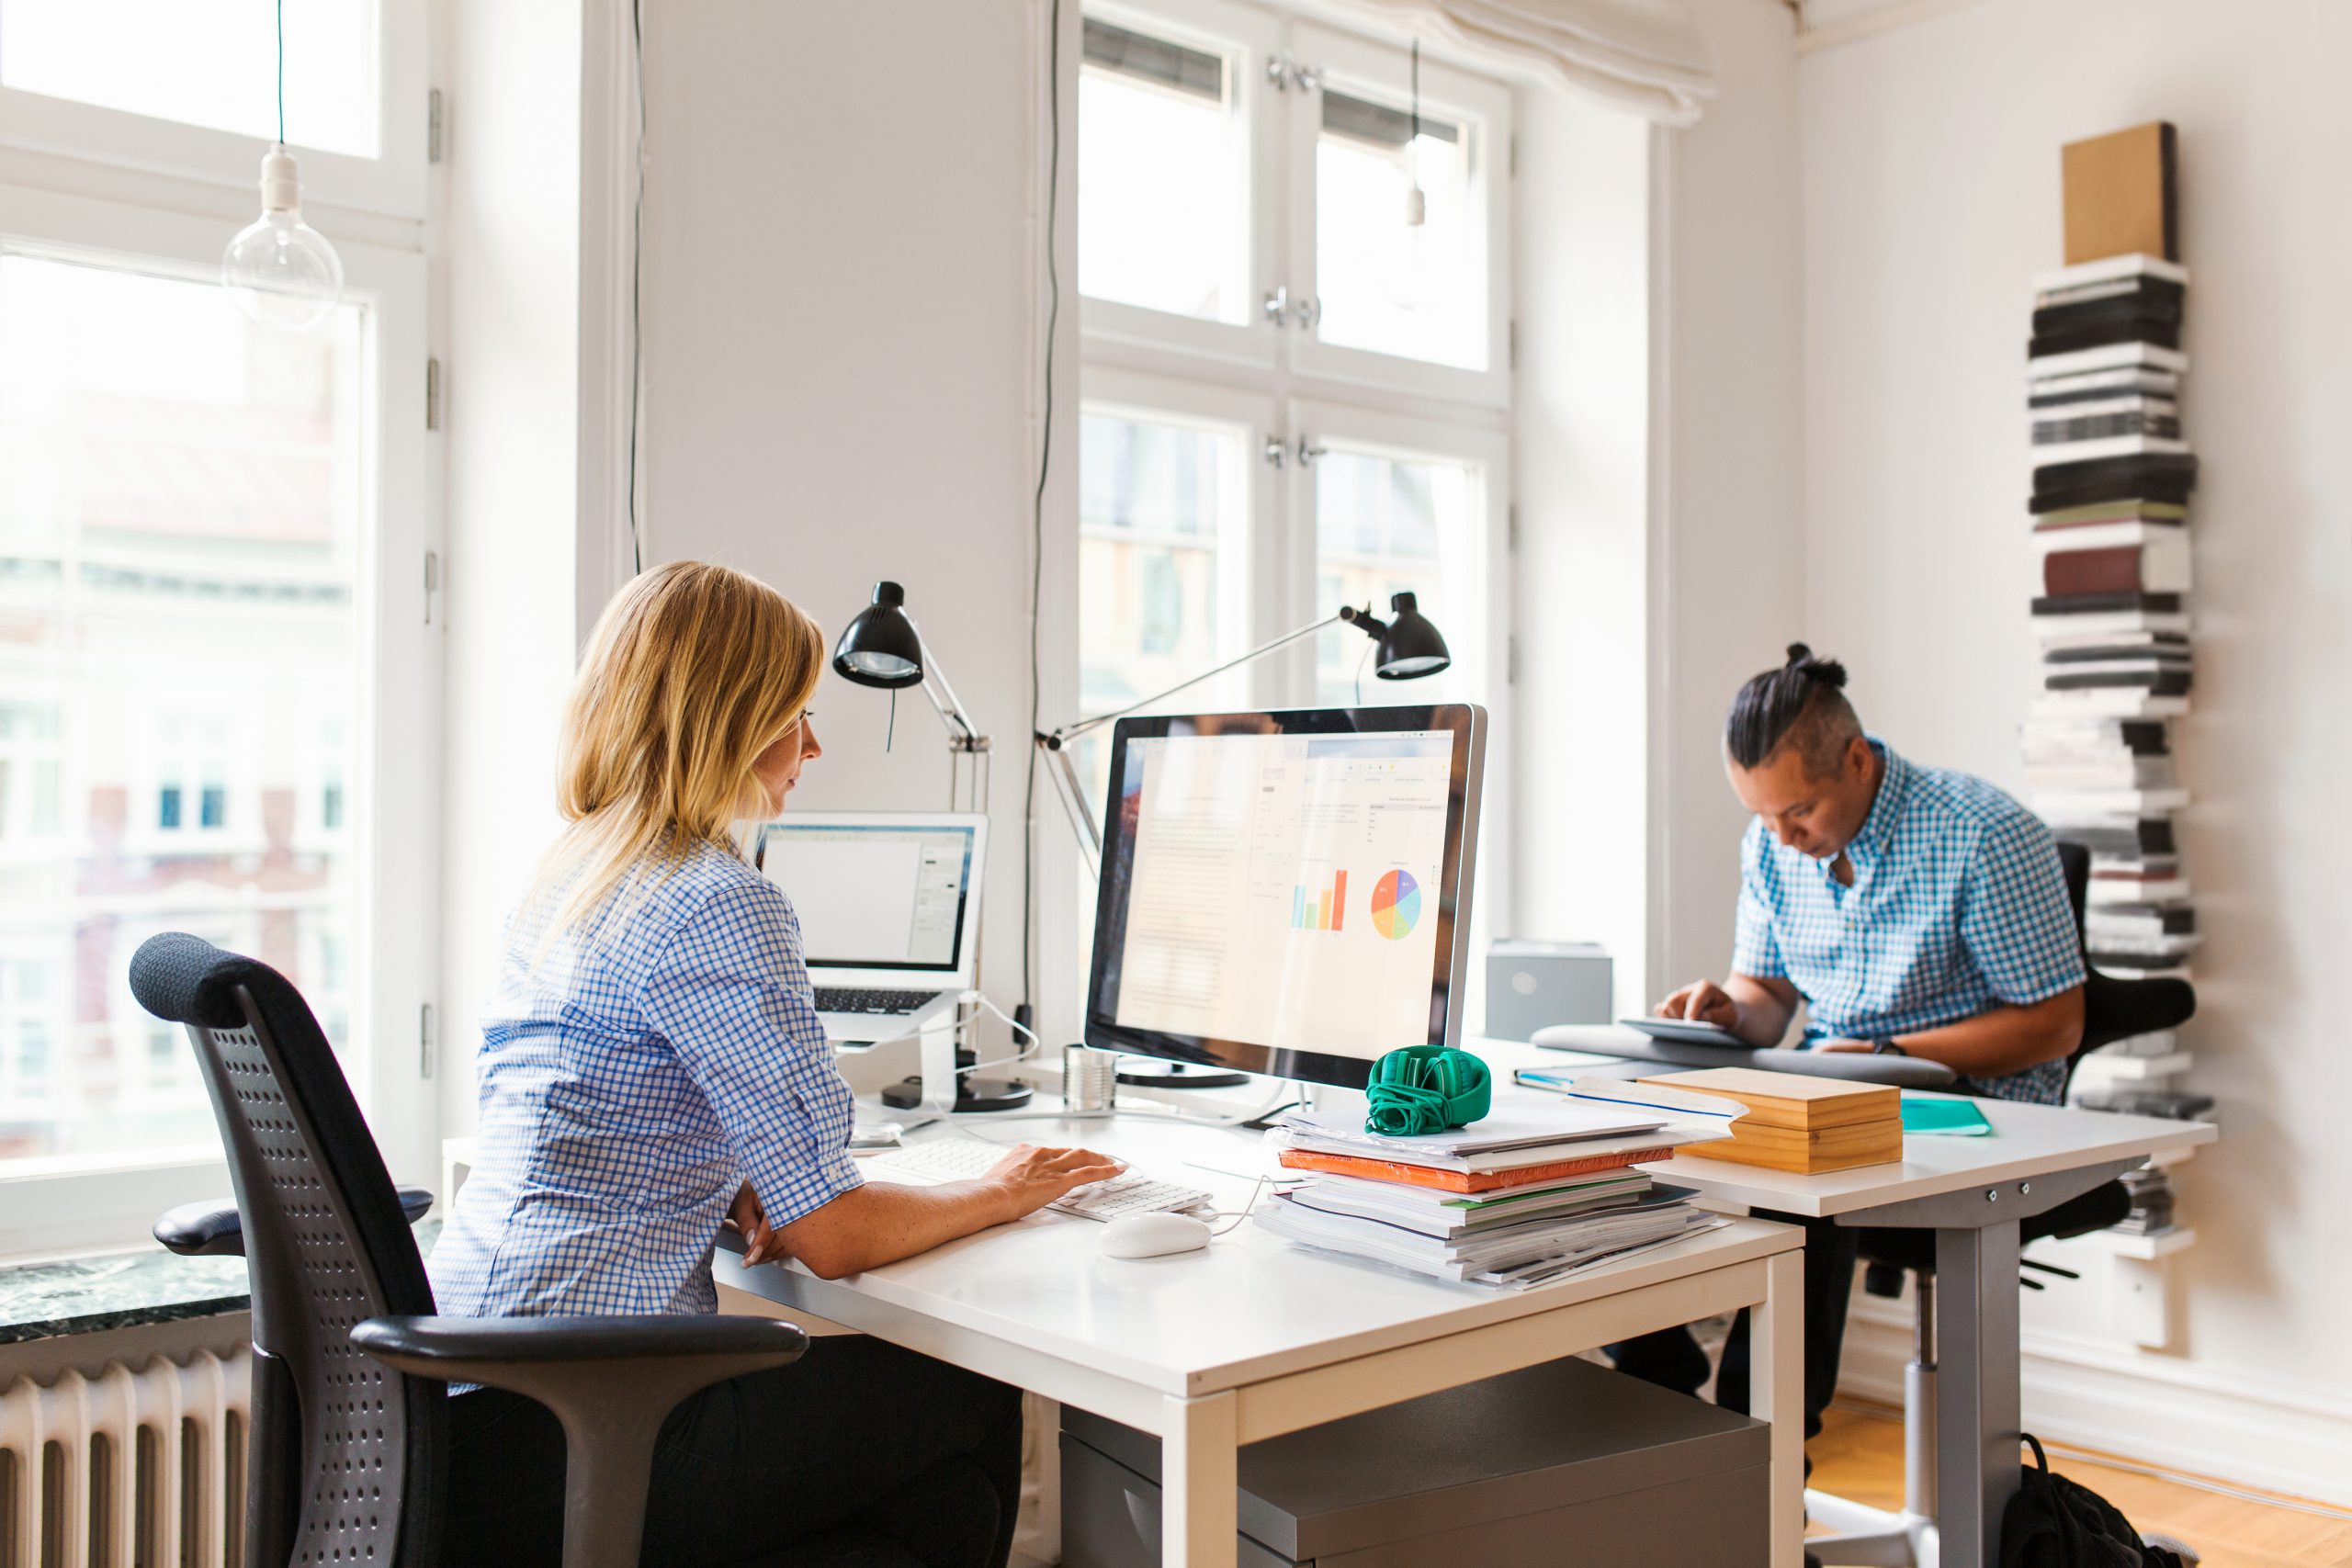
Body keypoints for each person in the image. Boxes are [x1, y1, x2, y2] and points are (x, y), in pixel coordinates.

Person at [429, 561, 1122, 1568]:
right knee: (967, 1386)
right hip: (590, 1435)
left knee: (907, 1492)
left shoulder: (570, 876)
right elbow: (832, 1237)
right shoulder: (718, 899)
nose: (812, 743)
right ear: (723, 722)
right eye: (792, 713)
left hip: (459, 1412)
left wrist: (734, 1174)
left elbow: (597, 1114)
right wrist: (1001, 1188)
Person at [1611, 643, 2086, 1462]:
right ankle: (1664, 1403)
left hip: (1978, 1103)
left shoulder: (1983, 833)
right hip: (1833, 1079)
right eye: (1761, 815)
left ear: (1857, 760)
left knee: (1809, 1165)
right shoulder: (1771, 846)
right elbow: (1768, 1001)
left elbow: (2053, 1024)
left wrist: (1890, 1046)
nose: (1781, 836)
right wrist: (1728, 1010)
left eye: (1797, 811)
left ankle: (1758, 1458)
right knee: (1630, 1144)